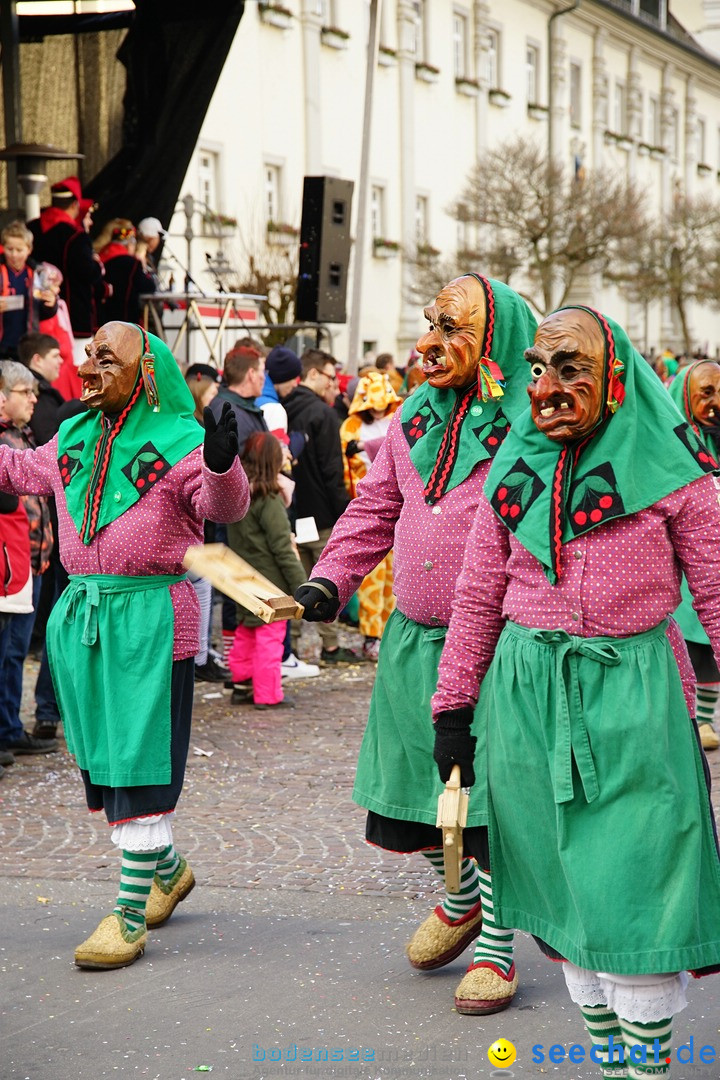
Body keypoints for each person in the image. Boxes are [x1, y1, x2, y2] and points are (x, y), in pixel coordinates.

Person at [433, 306, 720, 1073]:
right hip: (524, 706)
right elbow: (476, 595)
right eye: (536, 369)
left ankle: (646, 1070)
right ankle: (608, 1066)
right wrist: (453, 709)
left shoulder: (675, 476)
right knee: (563, 901)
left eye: (571, 369)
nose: (548, 388)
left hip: (635, 703)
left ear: (617, 379)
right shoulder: (513, 470)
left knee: (638, 890)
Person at [296, 275, 538, 1014]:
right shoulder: (408, 419)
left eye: (452, 330)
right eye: (429, 324)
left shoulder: (535, 422)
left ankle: (497, 947)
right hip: (411, 640)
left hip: (496, 645)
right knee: (415, 792)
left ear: (495, 341)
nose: (428, 344)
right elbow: (374, 508)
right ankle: (461, 898)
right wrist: (328, 581)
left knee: (487, 798)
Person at [0, 322, 249, 970]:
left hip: (151, 624)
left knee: (139, 766)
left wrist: (223, 464)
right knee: (104, 761)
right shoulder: (74, 435)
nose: (88, 367)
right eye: (88, 355)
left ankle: (129, 915)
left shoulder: (181, 441)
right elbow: (22, 468)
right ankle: (167, 869)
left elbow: (225, 503)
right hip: (84, 618)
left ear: (144, 373)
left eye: (106, 359)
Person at [283, 349, 359, 664]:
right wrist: (347, 511)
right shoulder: (323, 414)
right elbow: (332, 472)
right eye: (330, 376)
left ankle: (294, 647)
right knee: (326, 582)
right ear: (312, 374)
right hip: (323, 513)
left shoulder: (283, 407)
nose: (335, 385)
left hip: (291, 511)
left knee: (295, 580)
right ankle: (329, 645)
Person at [0, 361, 57, 756]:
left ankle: (9, 727)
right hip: (9, 562)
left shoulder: (25, 436)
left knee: (17, 651)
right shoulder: (5, 441)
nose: (35, 399)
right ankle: (5, 730)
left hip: (33, 561)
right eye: (25, 392)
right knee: (6, 651)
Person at [226, 432, 307, 709]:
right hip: (270, 582)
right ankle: (267, 694)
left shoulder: (237, 494)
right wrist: (302, 586)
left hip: (242, 576)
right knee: (270, 638)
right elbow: (283, 548)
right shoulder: (268, 496)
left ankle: (241, 685)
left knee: (246, 632)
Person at [668, 359, 720, 750]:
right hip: (684, 570)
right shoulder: (672, 442)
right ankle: (696, 720)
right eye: (707, 393)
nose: (716, 402)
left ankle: (705, 718)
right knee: (693, 647)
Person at [340, 370, 401, 660]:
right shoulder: (351, 425)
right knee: (371, 578)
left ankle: (389, 631)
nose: (377, 409)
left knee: (394, 577)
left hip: (399, 509)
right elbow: (345, 469)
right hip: (366, 505)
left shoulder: (397, 419)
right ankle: (370, 633)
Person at [29, 177, 107, 363]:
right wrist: (98, 265)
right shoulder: (76, 236)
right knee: (76, 372)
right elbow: (88, 273)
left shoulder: (31, 228)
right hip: (73, 319)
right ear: (74, 205)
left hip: (34, 316)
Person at [0, 222, 57, 360]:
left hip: (28, 343)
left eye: (19, 250)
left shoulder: (38, 273)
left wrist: (51, 303)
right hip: (3, 342)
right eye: (9, 249)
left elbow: (45, 311)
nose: (14, 255)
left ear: (29, 250)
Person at [208, 343, 268, 455]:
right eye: (262, 371)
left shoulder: (234, 406)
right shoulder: (231, 414)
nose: (264, 377)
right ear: (252, 374)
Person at [97, 220, 157, 325]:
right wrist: (142, 265)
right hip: (124, 322)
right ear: (129, 244)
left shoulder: (100, 257)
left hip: (100, 320)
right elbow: (149, 286)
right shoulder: (131, 263)